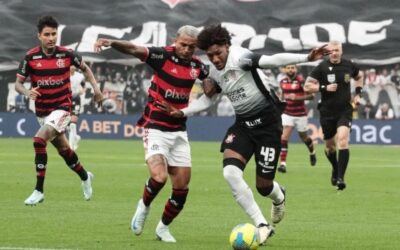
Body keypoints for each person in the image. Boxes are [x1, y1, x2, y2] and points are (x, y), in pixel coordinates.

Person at [157, 24, 329, 245]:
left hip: (268, 125)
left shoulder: (241, 58)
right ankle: (261, 224)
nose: (215, 59)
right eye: (210, 55)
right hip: (243, 126)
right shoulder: (214, 70)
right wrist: (182, 111)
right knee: (230, 173)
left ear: (227, 46)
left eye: (218, 53)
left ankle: (279, 196)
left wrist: (307, 56)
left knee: (263, 186)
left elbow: (272, 59)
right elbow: (209, 99)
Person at [94, 25, 209, 243]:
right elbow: (134, 49)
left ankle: (163, 228)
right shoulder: (161, 55)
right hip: (155, 126)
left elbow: (210, 83)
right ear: (176, 40)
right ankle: (144, 206)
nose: (186, 50)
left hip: (179, 132)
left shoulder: (198, 66)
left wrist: (211, 85)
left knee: (182, 188)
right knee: (159, 177)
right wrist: (112, 42)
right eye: (183, 44)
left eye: (191, 47)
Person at [15, 16, 103, 205]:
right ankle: (85, 177)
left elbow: (86, 69)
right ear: (39, 35)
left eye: (54, 34)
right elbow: (18, 85)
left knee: (39, 140)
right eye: (47, 34)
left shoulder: (67, 54)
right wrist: (27, 92)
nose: (51, 38)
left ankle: (39, 190)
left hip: (62, 109)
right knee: (64, 150)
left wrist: (96, 90)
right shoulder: (31, 57)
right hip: (42, 112)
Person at [304, 40, 364, 190]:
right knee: (330, 147)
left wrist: (358, 94)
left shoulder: (349, 65)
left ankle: (341, 178)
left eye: (337, 50)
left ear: (341, 51)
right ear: (328, 52)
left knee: (342, 141)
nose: (335, 53)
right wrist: (324, 87)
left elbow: (359, 77)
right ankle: (335, 168)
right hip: (327, 111)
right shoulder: (321, 67)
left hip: (345, 110)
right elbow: (307, 86)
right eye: (332, 51)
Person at [277, 64, 316, 173]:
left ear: (296, 69)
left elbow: (312, 96)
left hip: (300, 114)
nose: (290, 69)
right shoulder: (282, 82)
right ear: (285, 69)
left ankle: (312, 152)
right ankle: (283, 164)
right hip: (287, 113)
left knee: (304, 138)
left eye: (292, 68)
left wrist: (297, 97)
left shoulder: (301, 81)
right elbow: (282, 96)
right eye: (288, 67)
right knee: (283, 137)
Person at [69, 65, 85, 150]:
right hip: (66, 100)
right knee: (68, 125)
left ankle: (71, 146)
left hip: (76, 99)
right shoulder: (65, 75)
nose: (72, 68)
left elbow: (83, 87)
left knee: (72, 124)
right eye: (71, 66)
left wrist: (81, 90)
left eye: (73, 67)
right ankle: (76, 137)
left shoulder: (80, 76)